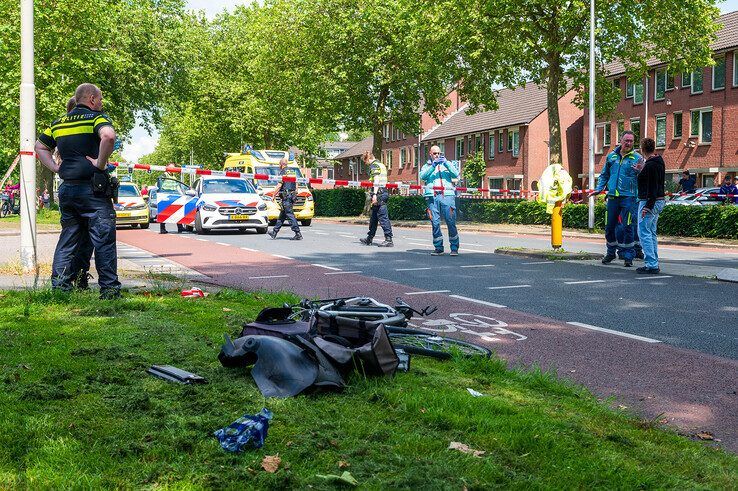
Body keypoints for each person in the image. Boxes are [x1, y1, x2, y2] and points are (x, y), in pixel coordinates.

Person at [35, 83, 121, 299]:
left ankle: (61, 288)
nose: (101, 104)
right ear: (91, 99)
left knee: (69, 239)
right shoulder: (96, 118)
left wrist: (55, 167)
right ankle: (109, 291)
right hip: (93, 190)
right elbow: (109, 136)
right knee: (103, 240)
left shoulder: (58, 123)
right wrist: (100, 164)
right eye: (100, 100)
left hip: (68, 190)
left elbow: (39, 147)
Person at [590, 131, 641, 267]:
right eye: (626, 140)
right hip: (613, 197)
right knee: (609, 226)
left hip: (629, 198)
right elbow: (604, 175)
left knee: (628, 227)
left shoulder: (638, 158)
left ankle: (629, 256)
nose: (629, 143)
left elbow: (644, 178)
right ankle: (611, 252)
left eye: (631, 141)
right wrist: (599, 189)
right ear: (621, 140)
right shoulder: (611, 156)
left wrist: (640, 172)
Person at [420, 145, 460, 256]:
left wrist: (446, 163)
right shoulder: (426, 166)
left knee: (450, 221)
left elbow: (456, 174)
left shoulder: (447, 164)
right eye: (435, 153)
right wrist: (433, 166)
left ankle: (454, 248)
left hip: (447, 195)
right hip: (432, 197)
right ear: (430, 154)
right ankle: (438, 247)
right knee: (435, 222)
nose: (437, 155)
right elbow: (422, 176)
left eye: (439, 153)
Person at [635, 138, 666, 274]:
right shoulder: (658, 161)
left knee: (644, 232)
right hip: (659, 201)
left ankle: (651, 264)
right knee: (651, 232)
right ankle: (654, 261)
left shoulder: (651, 165)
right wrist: (642, 170)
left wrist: (648, 205)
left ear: (642, 149)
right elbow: (655, 181)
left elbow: (652, 186)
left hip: (649, 201)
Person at [359, 151, 393, 247]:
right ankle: (369, 238)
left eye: (365, 162)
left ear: (368, 159)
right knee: (374, 218)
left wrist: (374, 194)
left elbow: (377, 179)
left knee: (383, 217)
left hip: (379, 193)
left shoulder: (374, 166)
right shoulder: (381, 164)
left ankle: (388, 239)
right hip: (382, 192)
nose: (365, 164)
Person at [268, 157, 302, 240]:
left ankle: (298, 233)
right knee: (282, 215)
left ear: (281, 165)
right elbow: (296, 183)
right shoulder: (292, 172)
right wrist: (295, 193)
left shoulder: (282, 172)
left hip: (286, 196)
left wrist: (273, 195)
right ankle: (274, 232)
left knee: (290, 215)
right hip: (291, 196)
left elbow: (279, 185)